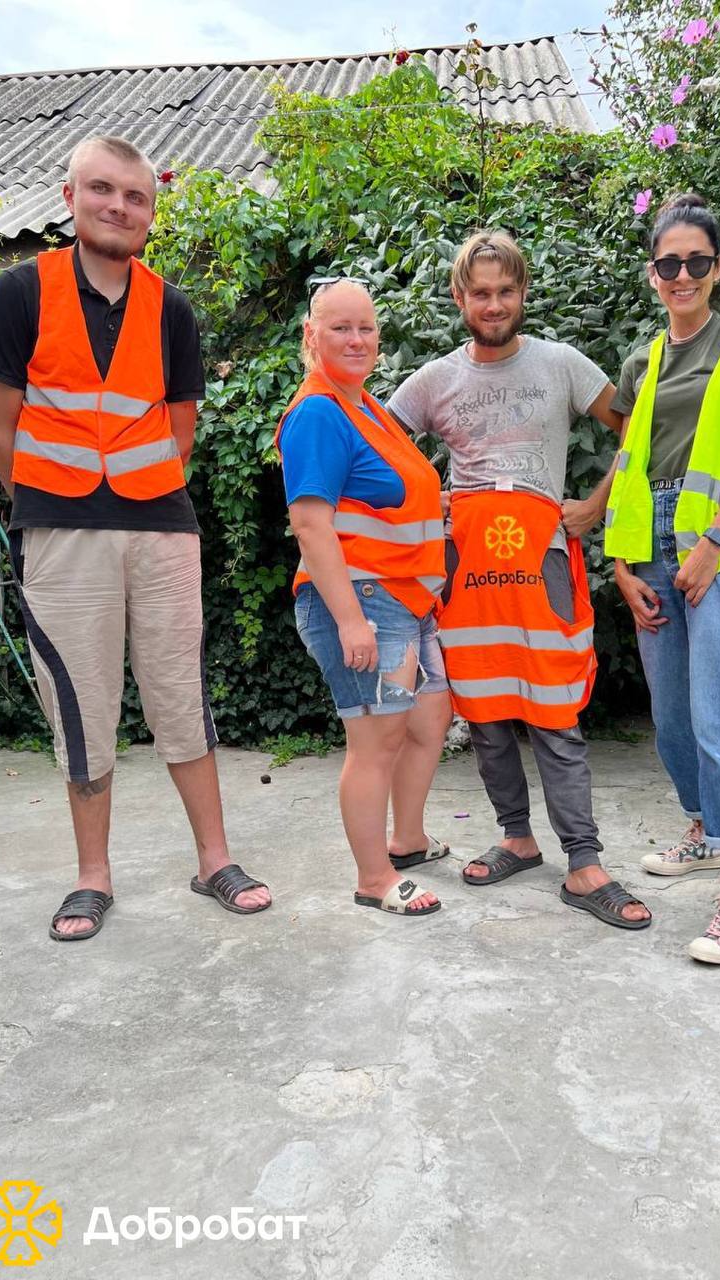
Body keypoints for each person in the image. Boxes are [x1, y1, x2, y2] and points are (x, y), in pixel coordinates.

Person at [0, 134, 271, 941]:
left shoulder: (170, 306)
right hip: (63, 531)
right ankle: (91, 878)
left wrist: (132, 494)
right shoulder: (19, 293)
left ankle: (215, 860)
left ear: (149, 213)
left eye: (135, 197)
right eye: (103, 190)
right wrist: (52, 500)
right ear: (69, 195)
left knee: (181, 693)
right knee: (82, 705)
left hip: (160, 527)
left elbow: (181, 430)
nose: (118, 207)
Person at [389, 231, 650, 930]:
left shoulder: (561, 364)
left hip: (544, 564)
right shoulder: (437, 379)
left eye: (505, 291)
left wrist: (594, 505)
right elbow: (374, 444)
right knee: (483, 712)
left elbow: (637, 430)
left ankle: (584, 862)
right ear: (459, 297)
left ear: (523, 293)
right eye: (481, 293)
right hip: (466, 566)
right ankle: (516, 837)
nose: (494, 304)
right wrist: (422, 497)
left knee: (554, 709)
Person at [606, 192, 720, 965]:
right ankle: (705, 831)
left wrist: (711, 542)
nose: (682, 274)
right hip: (650, 547)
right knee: (674, 720)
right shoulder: (642, 359)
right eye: (668, 263)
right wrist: (618, 562)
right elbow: (627, 465)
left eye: (696, 261)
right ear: (652, 273)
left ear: (717, 267)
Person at [277, 279, 452, 918]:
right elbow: (312, 523)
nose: (356, 340)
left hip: (406, 598)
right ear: (311, 336)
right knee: (374, 742)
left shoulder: (364, 406)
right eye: (340, 328)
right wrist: (351, 621)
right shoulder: (319, 412)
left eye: (366, 328)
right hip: (363, 601)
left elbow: (381, 496)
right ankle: (374, 878)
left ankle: (406, 840)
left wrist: (434, 510)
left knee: (429, 720)